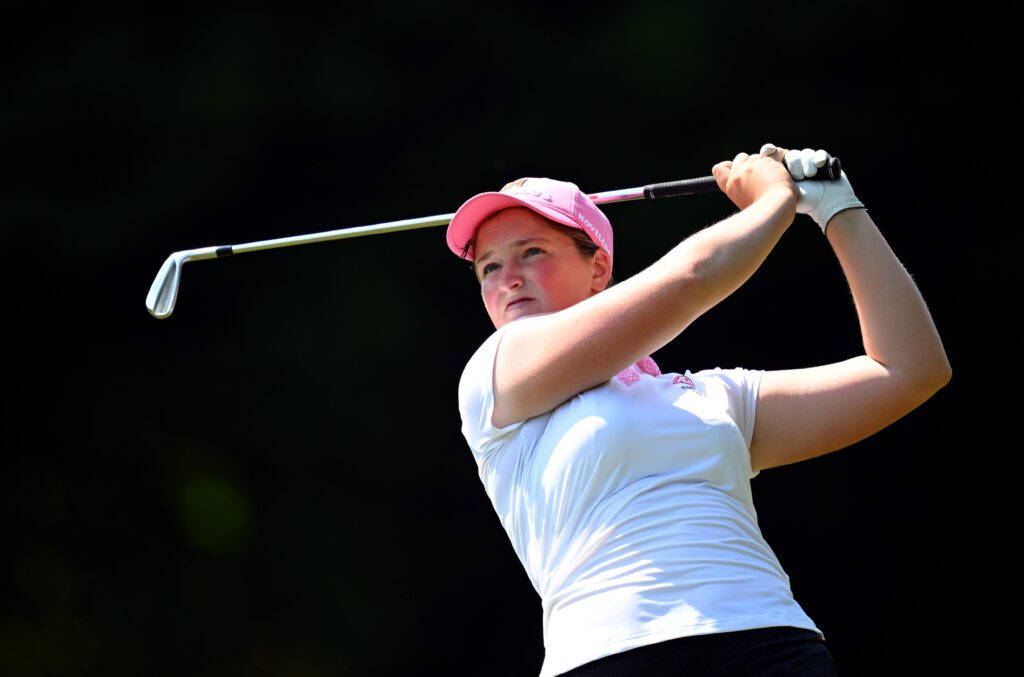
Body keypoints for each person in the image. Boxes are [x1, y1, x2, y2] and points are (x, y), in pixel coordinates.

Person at [443, 145, 951, 677]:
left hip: (769, 645)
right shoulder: (497, 375)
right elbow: (694, 276)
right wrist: (773, 201)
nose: (508, 278)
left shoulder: (710, 398)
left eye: (531, 252)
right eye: (489, 267)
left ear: (598, 267)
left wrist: (837, 208)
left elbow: (909, 370)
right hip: (610, 657)